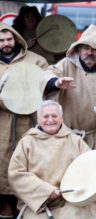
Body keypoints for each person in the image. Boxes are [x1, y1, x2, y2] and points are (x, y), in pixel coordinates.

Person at [40, 24, 96, 218]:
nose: (90, 53)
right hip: (70, 134)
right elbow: (46, 75)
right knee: (69, 178)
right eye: (86, 48)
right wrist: (56, 83)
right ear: (79, 49)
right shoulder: (66, 65)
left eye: (94, 49)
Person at [8, 100, 96, 219]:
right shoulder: (27, 142)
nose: (50, 120)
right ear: (38, 119)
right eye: (45, 116)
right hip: (38, 202)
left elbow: (91, 169)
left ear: (61, 119)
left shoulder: (75, 141)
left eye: (54, 116)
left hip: (71, 201)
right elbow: (16, 174)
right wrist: (47, 191)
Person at [0, 22, 48, 218]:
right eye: (1, 41)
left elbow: (46, 89)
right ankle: (4, 209)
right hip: (1, 125)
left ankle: (26, 209)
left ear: (17, 39)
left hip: (26, 124)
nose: (5, 44)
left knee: (27, 165)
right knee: (1, 166)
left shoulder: (36, 60)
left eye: (9, 39)